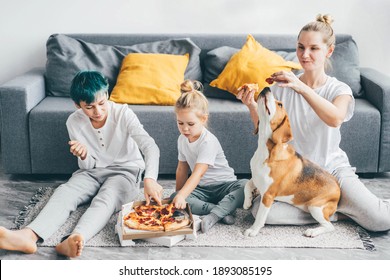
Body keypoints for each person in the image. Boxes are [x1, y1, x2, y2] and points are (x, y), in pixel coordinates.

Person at [237, 14, 390, 232]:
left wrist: (300, 86)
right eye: (300, 47)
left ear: (329, 51)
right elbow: (267, 129)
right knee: (260, 213)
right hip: (295, 175)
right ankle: (337, 212)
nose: (304, 54)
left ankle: (341, 206)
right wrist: (252, 105)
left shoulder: (339, 90)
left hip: (332, 171)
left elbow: (335, 118)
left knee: (381, 221)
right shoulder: (283, 86)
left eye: (313, 49)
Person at [0, 70, 164, 257]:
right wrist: (84, 155)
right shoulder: (74, 121)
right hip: (91, 171)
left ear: (107, 95)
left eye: (102, 103)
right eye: (90, 107)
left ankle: (75, 238)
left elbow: (150, 146)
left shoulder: (123, 113)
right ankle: (28, 236)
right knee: (65, 192)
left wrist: (150, 178)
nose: (98, 111)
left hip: (126, 171)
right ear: (78, 105)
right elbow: (87, 167)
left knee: (106, 198)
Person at [170, 80, 248, 233]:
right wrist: (179, 197)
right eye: (180, 123)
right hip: (203, 191)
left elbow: (198, 173)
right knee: (176, 195)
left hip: (225, 186)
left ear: (203, 119)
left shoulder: (208, 141)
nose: (185, 129)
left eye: (190, 124)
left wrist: (182, 196)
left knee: (246, 185)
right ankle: (222, 210)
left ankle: (214, 215)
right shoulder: (182, 139)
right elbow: (181, 169)